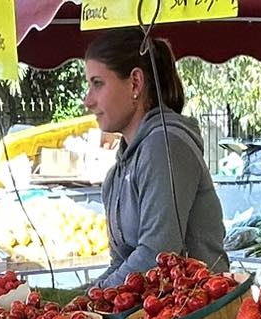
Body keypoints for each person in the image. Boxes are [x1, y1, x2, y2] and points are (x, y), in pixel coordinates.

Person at [83, 28, 227, 286]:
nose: (88, 100)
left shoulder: (165, 145)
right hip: (155, 316)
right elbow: (120, 263)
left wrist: (92, 296)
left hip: (202, 314)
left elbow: (157, 254)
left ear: (135, 83)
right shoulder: (117, 173)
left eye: (97, 84)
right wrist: (79, 298)